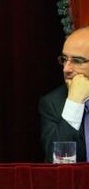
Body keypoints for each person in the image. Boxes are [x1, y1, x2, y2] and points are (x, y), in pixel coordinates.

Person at [39, 26, 89, 162]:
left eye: (77, 61)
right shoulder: (52, 103)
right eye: (64, 59)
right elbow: (57, 164)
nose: (66, 69)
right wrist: (74, 102)